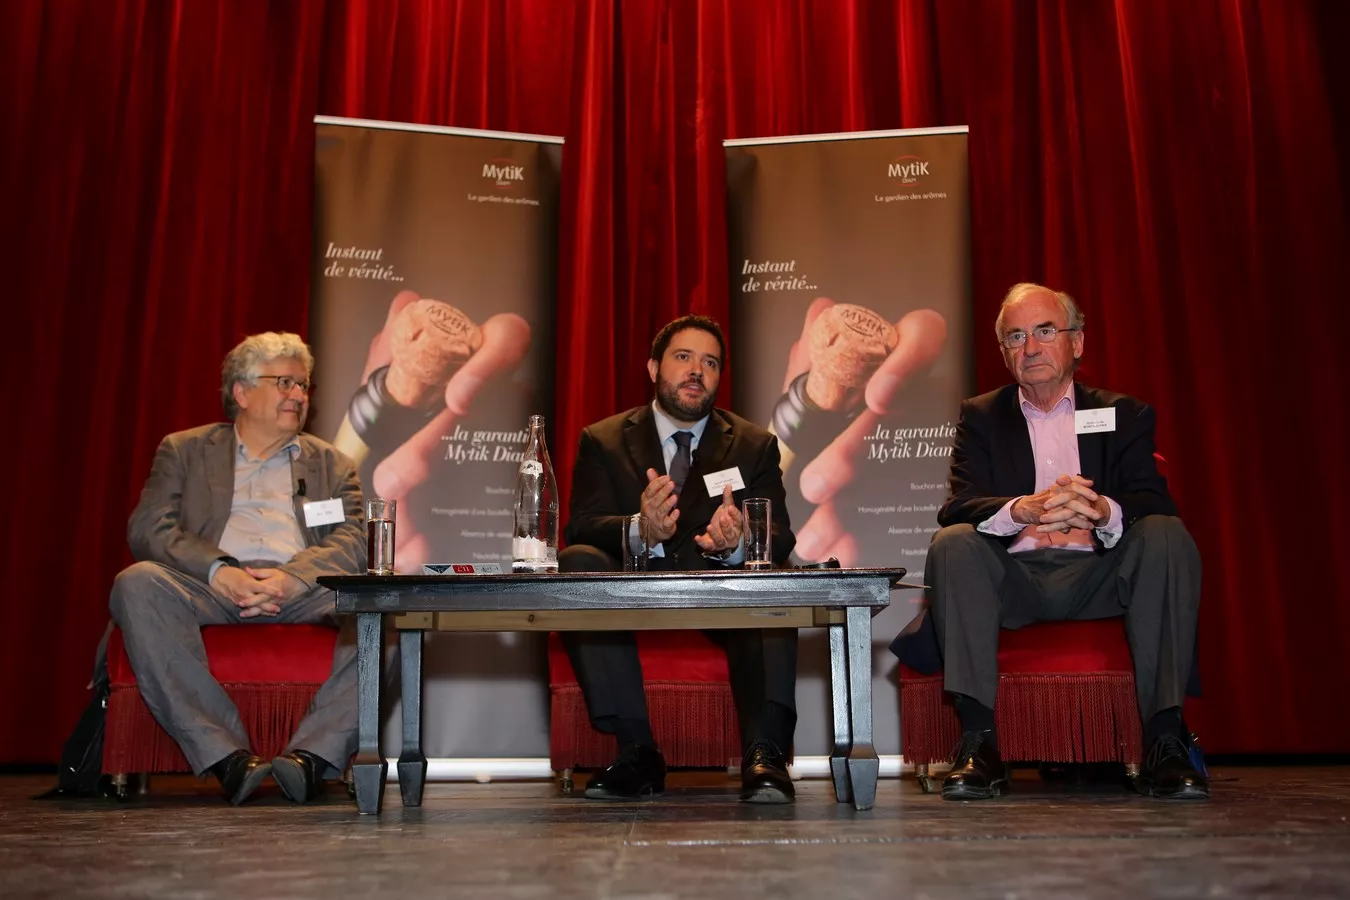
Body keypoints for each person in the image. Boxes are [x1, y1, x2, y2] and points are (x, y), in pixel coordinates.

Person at [924, 283, 1205, 801]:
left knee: (1166, 534)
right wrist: (1020, 510)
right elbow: (959, 505)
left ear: (1077, 342)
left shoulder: (1123, 414)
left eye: (1045, 331)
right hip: (1015, 581)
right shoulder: (982, 417)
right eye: (1016, 336)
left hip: (1102, 577)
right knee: (953, 542)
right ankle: (979, 745)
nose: (1030, 347)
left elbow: (1153, 498)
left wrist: (1102, 511)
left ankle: (1165, 742)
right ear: (1004, 352)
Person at [108, 332, 366, 805]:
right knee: (137, 582)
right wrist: (218, 570)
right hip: (211, 587)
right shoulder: (185, 450)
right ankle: (226, 757)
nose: (298, 394)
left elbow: (353, 537)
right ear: (242, 392)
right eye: (284, 382)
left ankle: (309, 760)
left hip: (303, 589)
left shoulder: (332, 464)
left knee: (386, 609)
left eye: (303, 385)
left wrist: (295, 577)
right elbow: (148, 527)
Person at [561, 315, 799, 803]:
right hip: (630, 594)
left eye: (710, 363)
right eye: (683, 357)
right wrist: (639, 528)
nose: (696, 371)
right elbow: (581, 525)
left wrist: (739, 542)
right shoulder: (603, 440)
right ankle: (637, 752)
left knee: (772, 573)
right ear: (654, 368)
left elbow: (779, 535)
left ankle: (765, 754)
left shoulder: (754, 445)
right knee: (577, 559)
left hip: (721, 596)